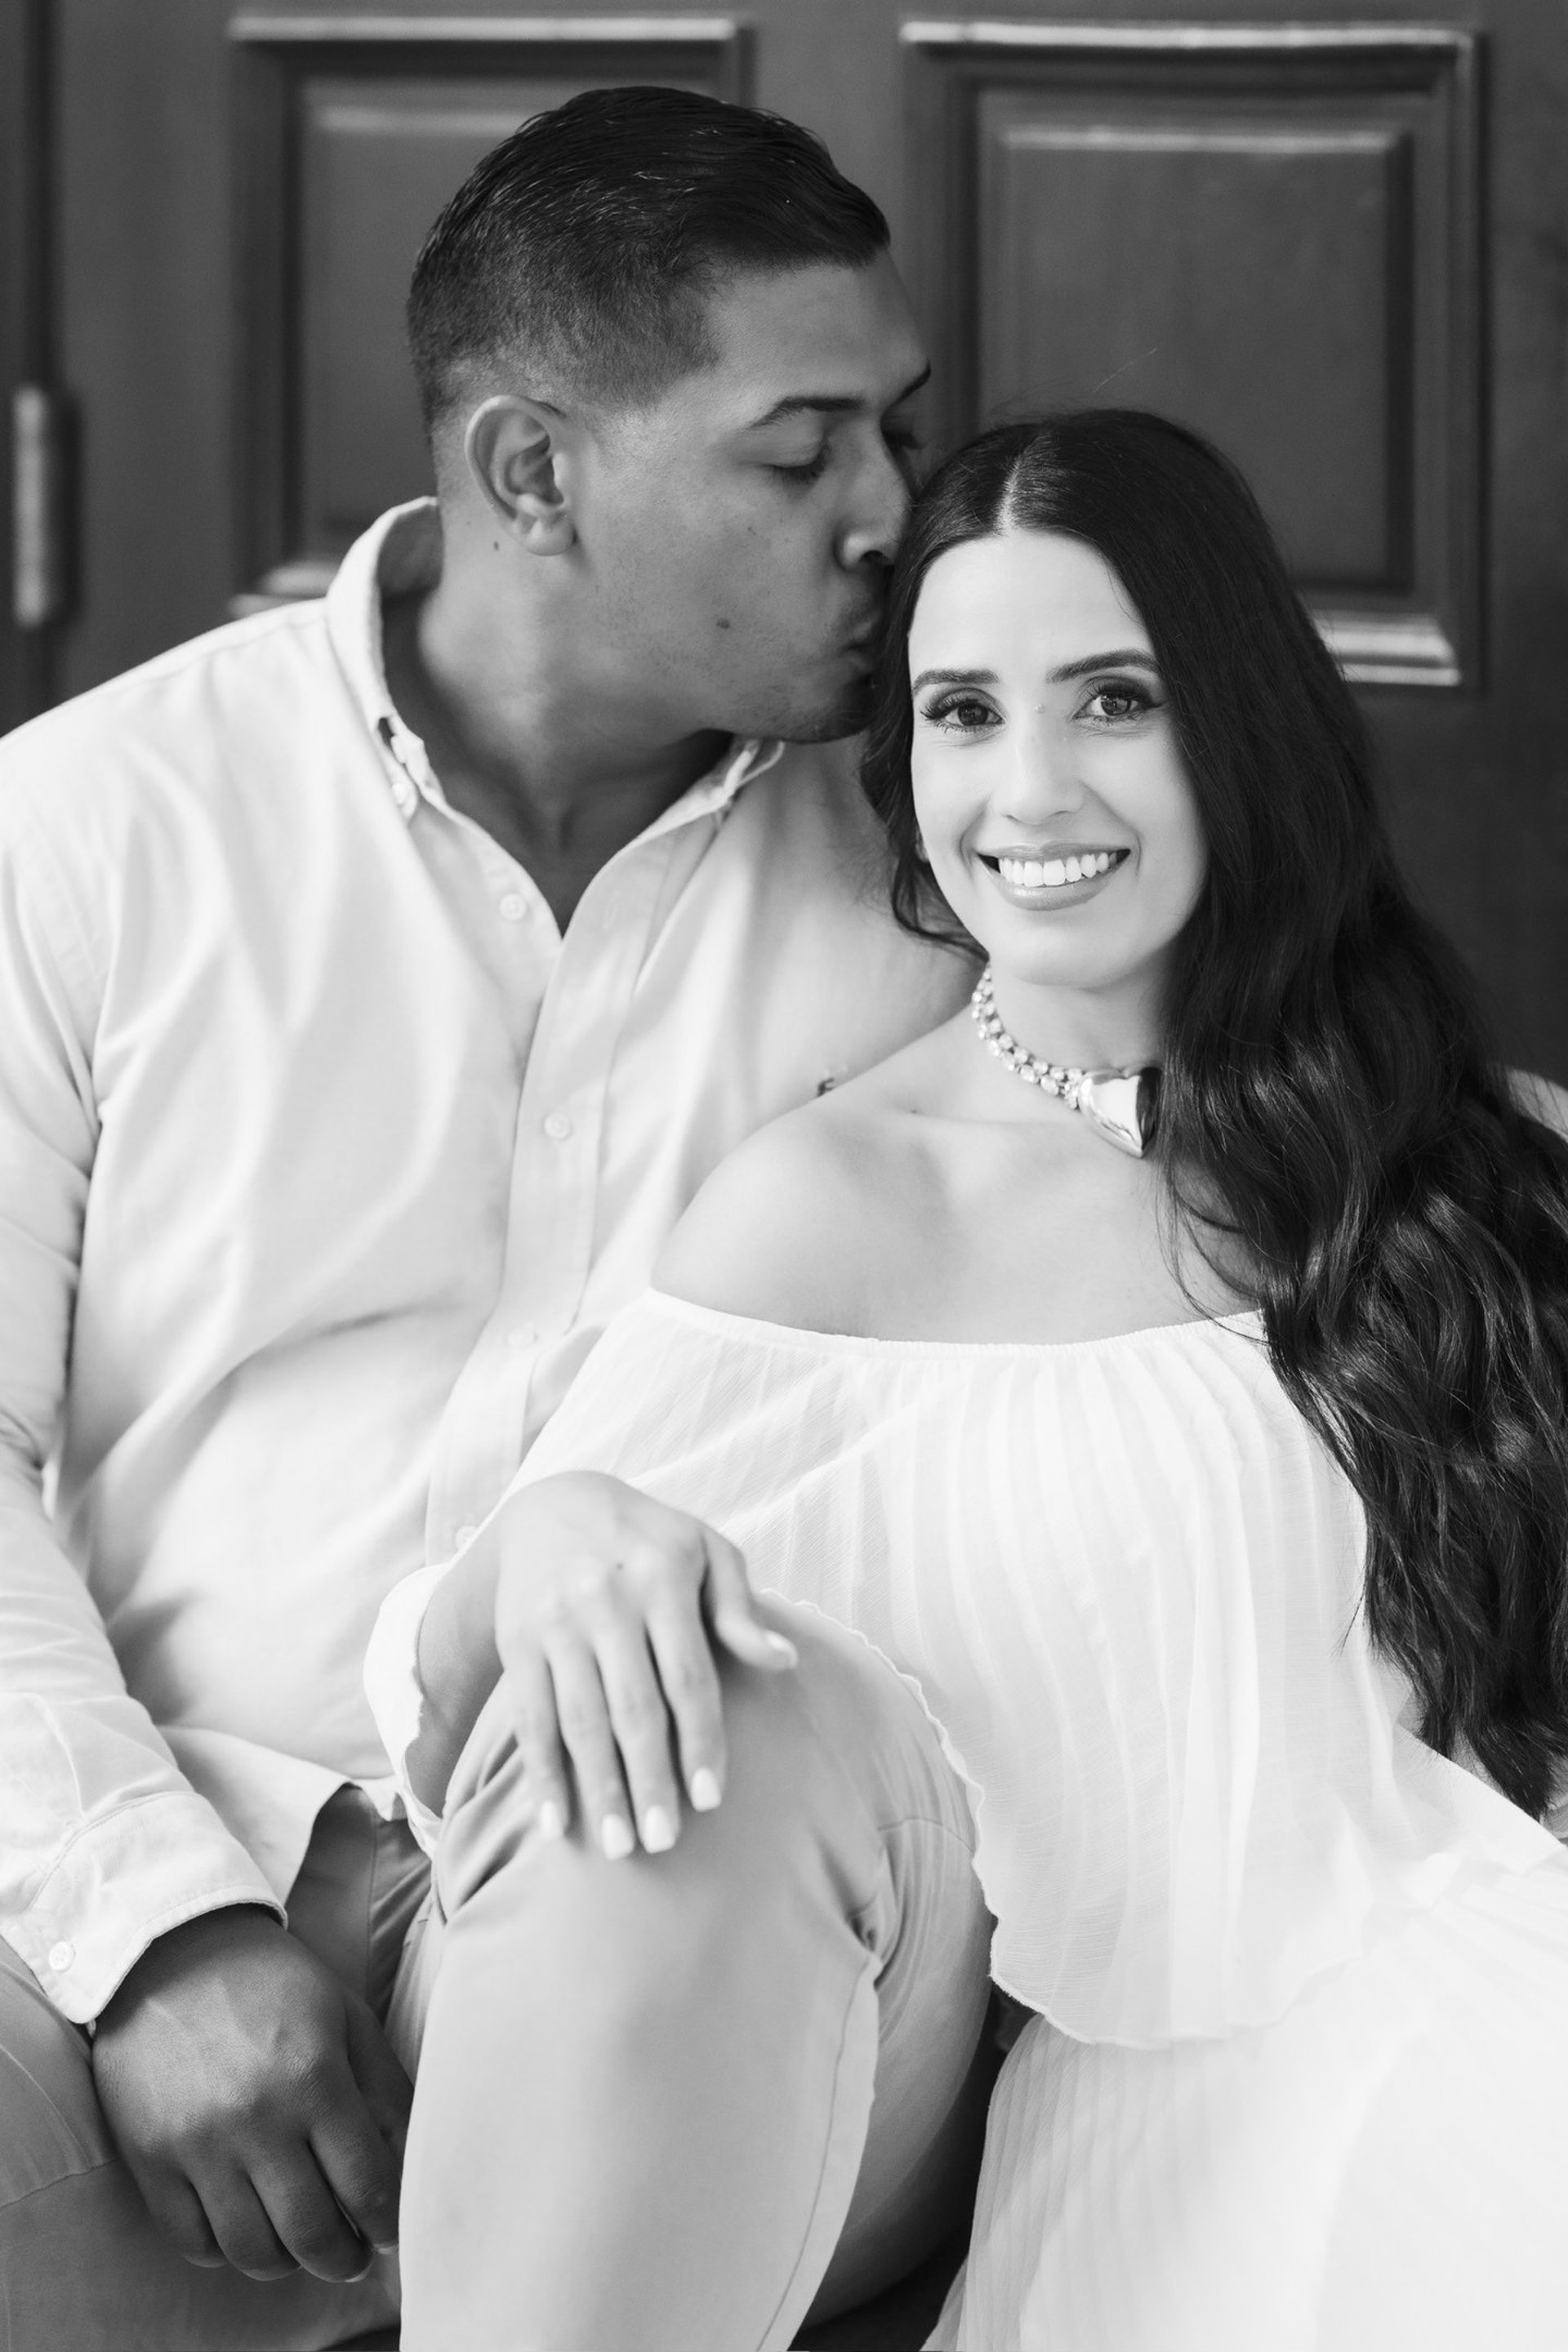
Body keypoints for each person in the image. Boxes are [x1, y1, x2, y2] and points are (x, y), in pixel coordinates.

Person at [374, 410, 1568, 2351]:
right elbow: (522, 1703)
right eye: (961, 713)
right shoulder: (830, 1212)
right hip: (1158, 2126)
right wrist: (543, 1539)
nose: (1029, 789)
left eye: (1113, 700)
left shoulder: (1485, 1162)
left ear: (1242, 725)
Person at [0, 88, 978, 2350]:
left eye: (899, 433)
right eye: (801, 452)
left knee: (676, 1789)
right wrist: (153, 1930)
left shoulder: (961, 857)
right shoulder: (89, 826)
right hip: (167, 1871)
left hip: (726, 1891)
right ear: (533, 472)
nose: (889, 517)